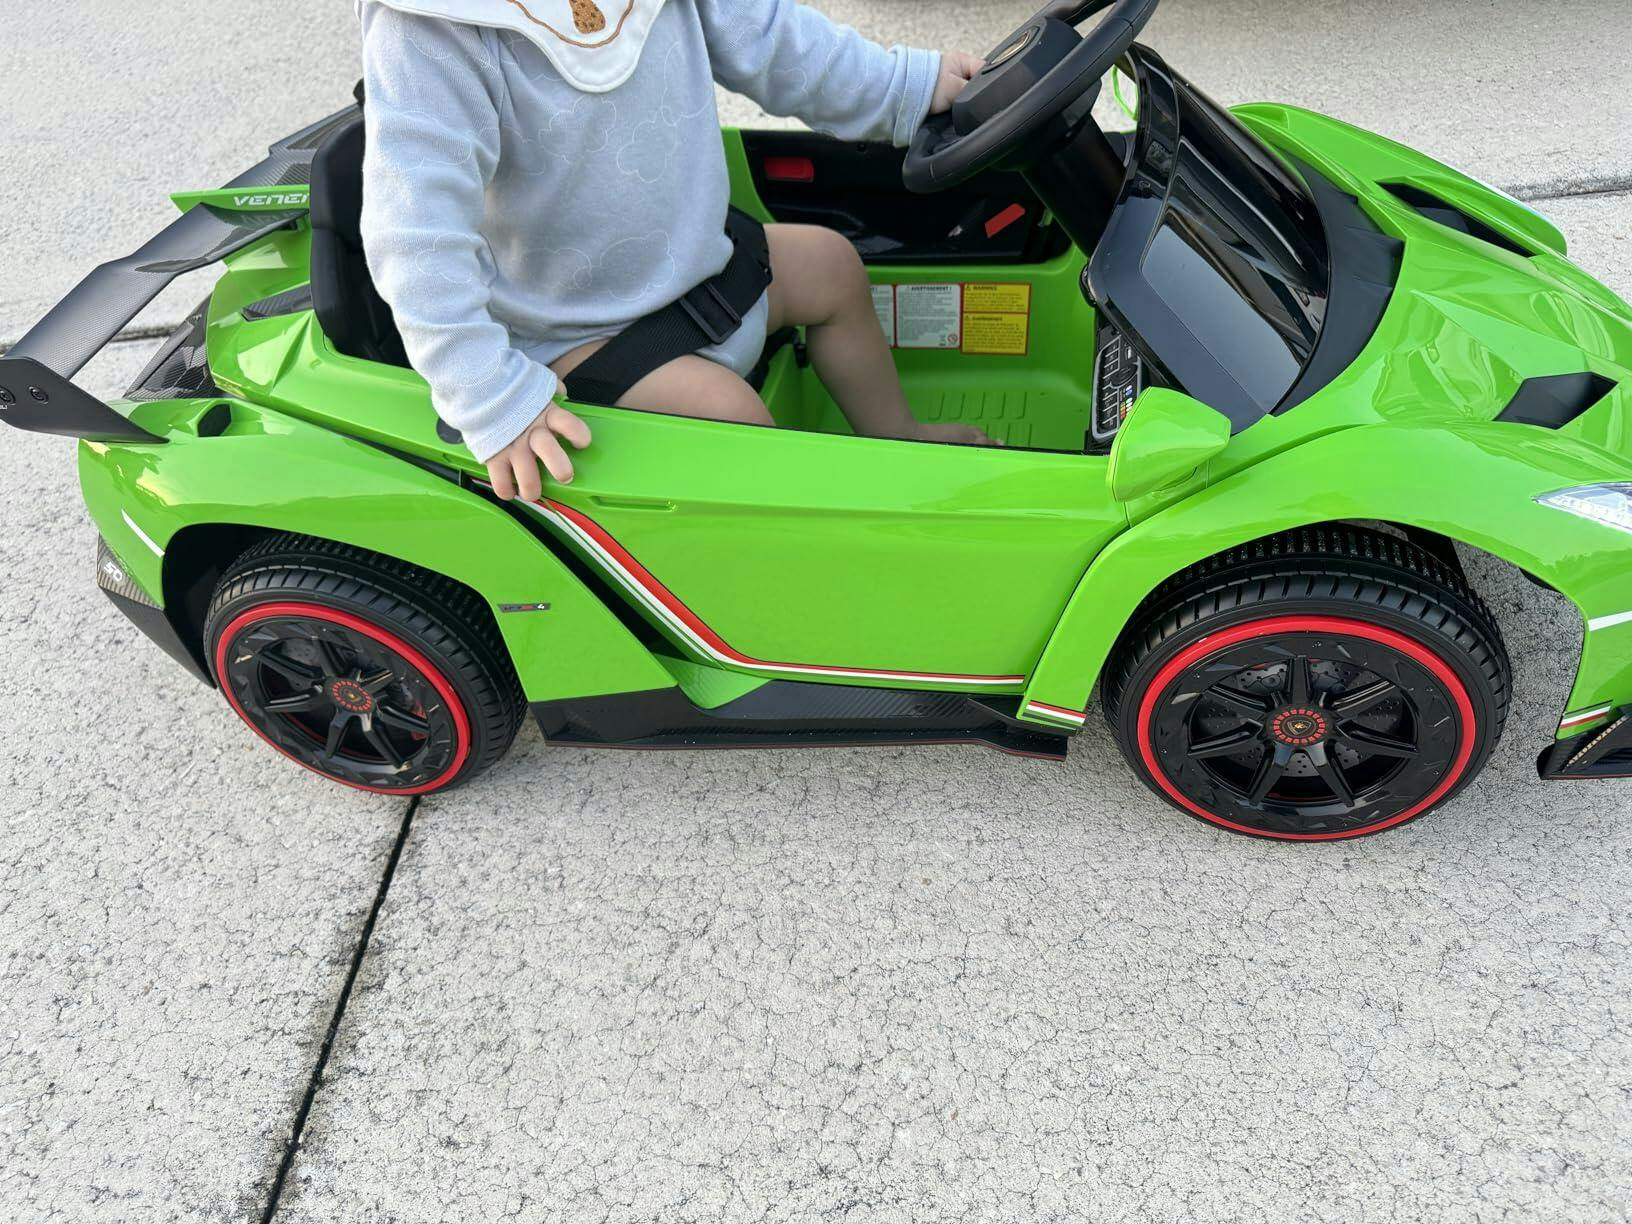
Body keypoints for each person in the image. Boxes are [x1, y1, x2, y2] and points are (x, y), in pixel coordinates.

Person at [357, 0, 993, 502]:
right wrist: (491, 399)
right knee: (733, 420)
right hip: (571, 333)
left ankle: (897, 434)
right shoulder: (433, 26)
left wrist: (905, 85)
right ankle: (808, 558)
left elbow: (776, 40)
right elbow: (416, 238)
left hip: (695, 267)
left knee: (831, 265)